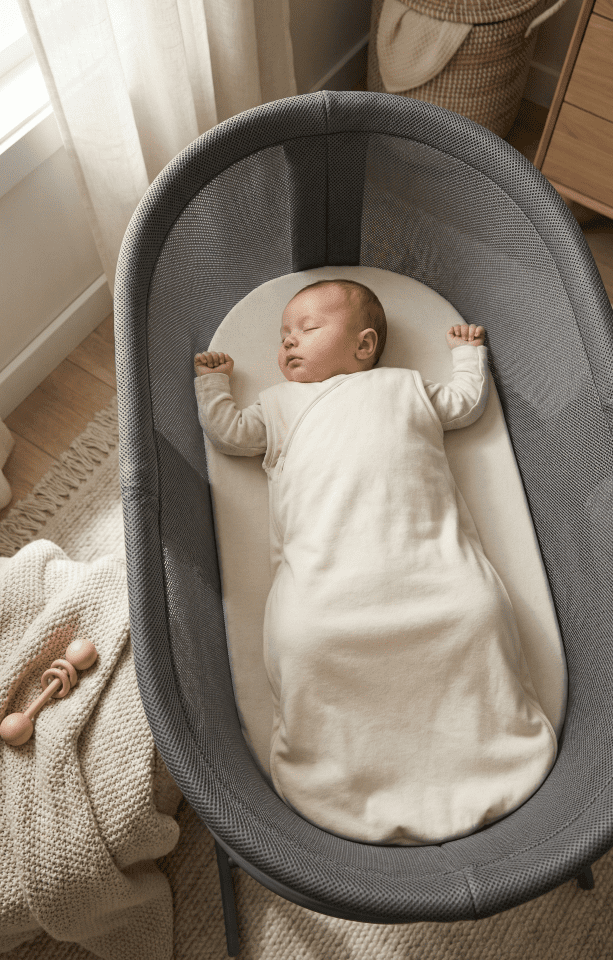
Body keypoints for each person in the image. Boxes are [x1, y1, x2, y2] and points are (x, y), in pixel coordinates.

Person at [194, 279, 556, 846]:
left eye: (307, 329)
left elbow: (464, 404)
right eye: (284, 335)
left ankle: (487, 740)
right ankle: (341, 763)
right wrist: (214, 385)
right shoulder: (279, 404)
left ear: (364, 345)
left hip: (429, 572)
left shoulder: (405, 385)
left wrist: (468, 356)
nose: (288, 342)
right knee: (305, 639)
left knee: (477, 613)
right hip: (330, 583)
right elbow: (231, 434)